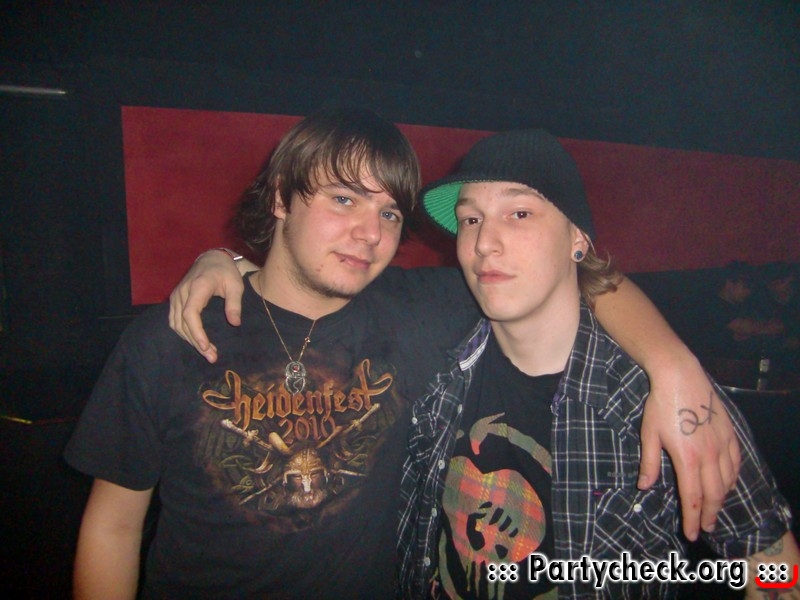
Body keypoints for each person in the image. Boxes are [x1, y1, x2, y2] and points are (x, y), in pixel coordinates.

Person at [115, 106, 736, 598]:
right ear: (281, 197)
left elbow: (575, 277)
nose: (370, 232)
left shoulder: (418, 312)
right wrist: (222, 258)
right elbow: (114, 526)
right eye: (343, 198)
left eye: (390, 213)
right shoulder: (171, 337)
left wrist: (671, 363)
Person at [396, 129, 798, 599]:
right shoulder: (440, 363)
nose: (485, 242)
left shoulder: (658, 397)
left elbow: (776, 568)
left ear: (578, 239)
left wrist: (670, 363)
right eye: (471, 219)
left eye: (519, 213)